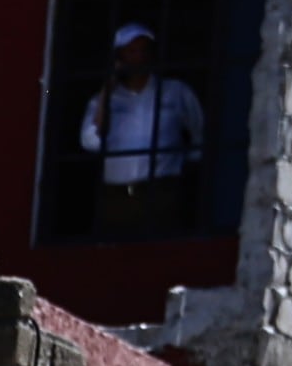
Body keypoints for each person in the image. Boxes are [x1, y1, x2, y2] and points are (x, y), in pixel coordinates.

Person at [77, 20, 205, 237]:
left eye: (144, 50)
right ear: (119, 58)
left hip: (162, 193)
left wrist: (186, 170)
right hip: (116, 196)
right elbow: (90, 142)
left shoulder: (175, 91)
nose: (139, 57)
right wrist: (106, 93)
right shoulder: (103, 100)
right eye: (132, 51)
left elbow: (200, 133)